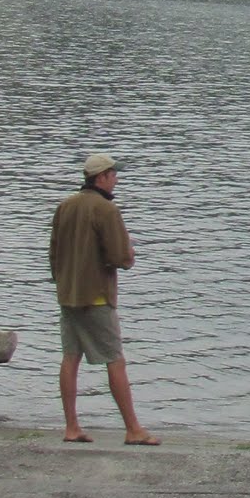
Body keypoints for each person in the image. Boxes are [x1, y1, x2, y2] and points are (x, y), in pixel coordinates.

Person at [50, 152, 159, 445]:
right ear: (101, 178)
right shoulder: (106, 210)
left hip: (68, 295)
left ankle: (71, 427)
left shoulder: (65, 206)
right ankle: (133, 429)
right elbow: (120, 257)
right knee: (115, 360)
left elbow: (54, 252)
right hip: (96, 297)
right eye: (113, 174)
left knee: (70, 358)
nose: (117, 179)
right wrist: (130, 255)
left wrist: (61, 283)